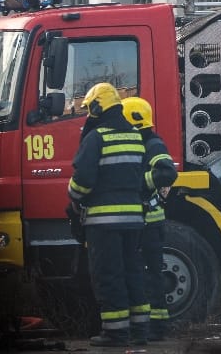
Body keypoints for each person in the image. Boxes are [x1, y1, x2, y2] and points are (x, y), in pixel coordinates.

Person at [68, 82, 151, 347]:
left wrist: (73, 196)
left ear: (97, 106)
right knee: (133, 272)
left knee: (109, 274)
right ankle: (140, 332)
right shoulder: (136, 137)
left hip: (104, 222)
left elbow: (83, 181)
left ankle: (115, 333)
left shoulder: (97, 138)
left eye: (89, 109)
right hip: (134, 220)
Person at [121, 96, 179, 341]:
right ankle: (152, 327)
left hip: (149, 223)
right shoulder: (140, 141)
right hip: (142, 222)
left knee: (150, 274)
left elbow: (167, 172)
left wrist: (140, 184)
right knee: (144, 273)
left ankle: (156, 328)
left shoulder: (152, 143)